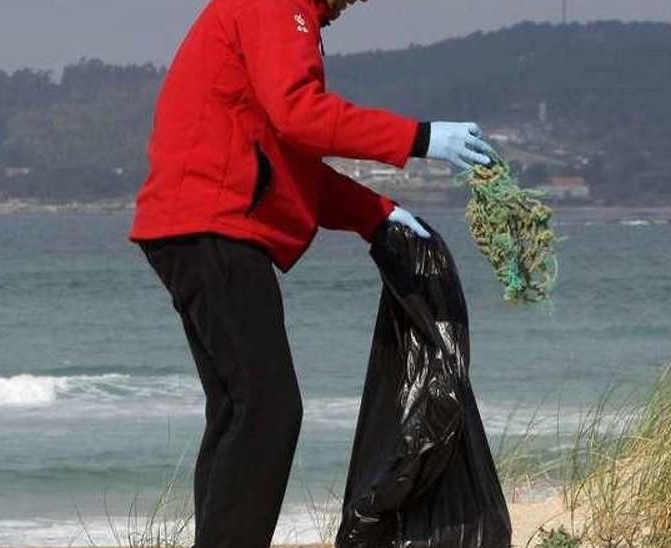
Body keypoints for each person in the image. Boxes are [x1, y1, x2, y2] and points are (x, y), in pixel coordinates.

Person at [128, 0, 496, 546]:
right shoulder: (274, 5)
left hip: (197, 228)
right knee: (269, 411)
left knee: (239, 411)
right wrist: (420, 138)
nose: (352, 4)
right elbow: (300, 114)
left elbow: (287, 162)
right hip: (213, 227)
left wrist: (377, 215)